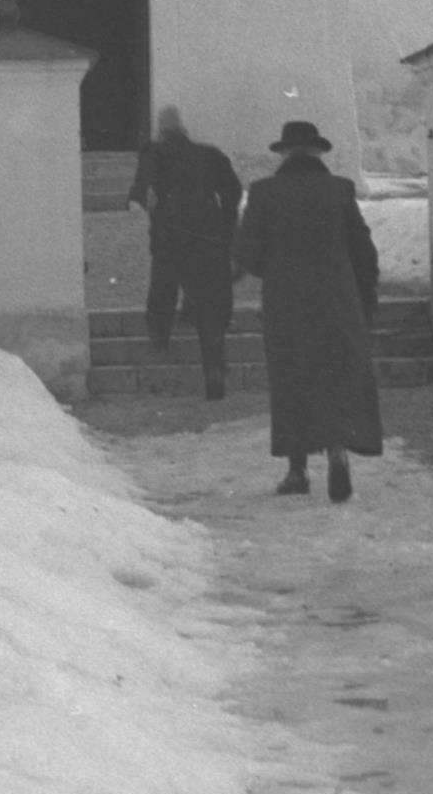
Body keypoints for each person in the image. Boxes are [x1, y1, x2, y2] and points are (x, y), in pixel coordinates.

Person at [232, 118, 382, 501]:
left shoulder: (264, 192)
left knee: (293, 380)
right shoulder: (339, 190)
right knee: (335, 374)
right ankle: (337, 448)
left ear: (284, 153)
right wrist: (364, 295)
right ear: (318, 152)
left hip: (286, 302)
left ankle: (297, 471)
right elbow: (364, 251)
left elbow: (247, 253)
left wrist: (275, 270)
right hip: (337, 299)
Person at [127, 105, 245, 398]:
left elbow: (144, 179)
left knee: (164, 286)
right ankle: (214, 369)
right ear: (184, 129)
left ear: (161, 130)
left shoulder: (155, 151)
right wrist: (225, 225)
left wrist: (137, 198)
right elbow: (233, 191)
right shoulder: (210, 154)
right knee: (210, 301)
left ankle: (160, 337)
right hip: (208, 235)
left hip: (171, 234)